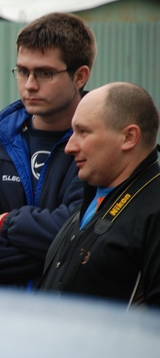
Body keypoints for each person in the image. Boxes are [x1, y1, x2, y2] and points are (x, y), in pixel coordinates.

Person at [0, 13, 97, 287]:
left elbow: (89, 239)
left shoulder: (100, 150)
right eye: (23, 71)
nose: (29, 85)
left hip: (69, 313)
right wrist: (61, 253)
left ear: (80, 76)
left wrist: (6, 223)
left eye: (45, 73)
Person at [38, 82, 160, 306]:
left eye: (83, 132)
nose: (69, 147)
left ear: (129, 137)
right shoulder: (91, 199)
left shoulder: (153, 211)